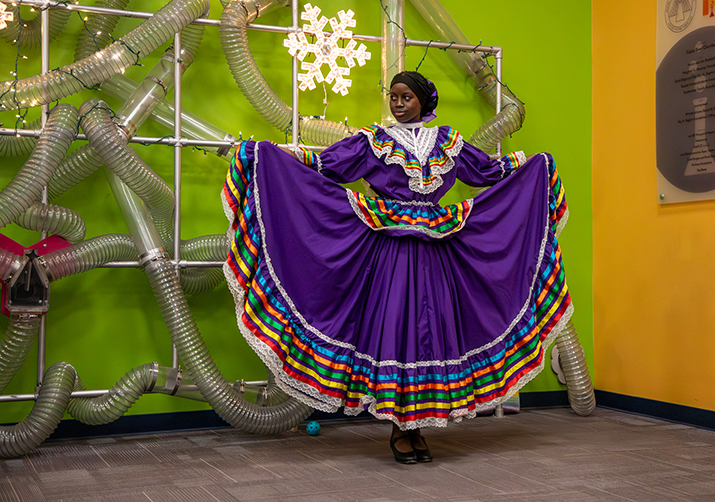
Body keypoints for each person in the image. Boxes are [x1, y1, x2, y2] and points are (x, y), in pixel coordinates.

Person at [223, 71, 573, 464]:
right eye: (393, 96)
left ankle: (416, 427)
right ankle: (400, 428)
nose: (398, 103)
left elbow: (489, 173)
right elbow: (325, 165)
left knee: (431, 334)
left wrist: (535, 165)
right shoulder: (374, 141)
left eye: (406, 97)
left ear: (423, 101)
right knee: (397, 332)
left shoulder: (450, 142)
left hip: (438, 252)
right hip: (390, 252)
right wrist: (272, 154)